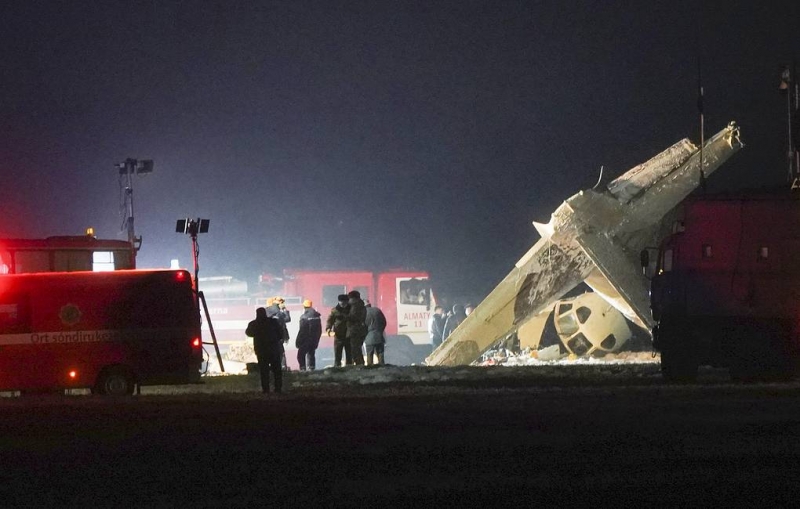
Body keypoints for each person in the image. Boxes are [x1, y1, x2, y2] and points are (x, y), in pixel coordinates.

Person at [245, 307, 284, 393]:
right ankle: (278, 388)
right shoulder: (273, 322)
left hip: (261, 350)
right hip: (273, 349)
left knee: (264, 371)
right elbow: (281, 334)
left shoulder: (254, 324)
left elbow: (248, 333)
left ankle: (265, 389)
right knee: (277, 370)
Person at [295, 299, 322, 371]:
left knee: (300, 355)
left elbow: (302, 330)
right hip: (314, 339)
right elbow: (319, 330)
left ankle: (303, 368)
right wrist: (317, 340)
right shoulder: (317, 316)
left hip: (305, 339)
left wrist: (298, 341)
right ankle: (311, 368)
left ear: (304, 306)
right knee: (311, 353)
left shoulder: (304, 317)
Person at [325, 294, 351, 367]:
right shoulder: (334, 310)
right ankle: (337, 366)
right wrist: (328, 328)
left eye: (344, 302)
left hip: (349, 335)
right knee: (337, 353)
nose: (342, 303)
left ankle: (349, 367)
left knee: (349, 353)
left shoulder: (351, 309)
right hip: (338, 335)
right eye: (341, 302)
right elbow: (330, 321)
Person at [266, 296, 290, 370]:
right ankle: (282, 367)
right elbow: (287, 319)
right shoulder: (278, 312)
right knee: (280, 352)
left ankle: (272, 366)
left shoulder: (267, 311)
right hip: (278, 335)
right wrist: (285, 310)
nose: (283, 304)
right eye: (281, 302)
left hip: (269, 336)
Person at [346, 290, 367, 366]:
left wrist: (345, 317)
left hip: (353, 330)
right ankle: (360, 364)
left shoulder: (354, 306)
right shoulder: (362, 305)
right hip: (361, 330)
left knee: (354, 349)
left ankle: (359, 365)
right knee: (357, 348)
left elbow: (352, 317)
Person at [364, 300, 387, 366]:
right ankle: (382, 368)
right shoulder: (377, 310)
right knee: (380, 354)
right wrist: (380, 330)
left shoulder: (363, 313)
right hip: (379, 336)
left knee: (369, 355)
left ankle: (370, 369)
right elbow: (384, 322)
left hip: (368, 338)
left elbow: (362, 326)